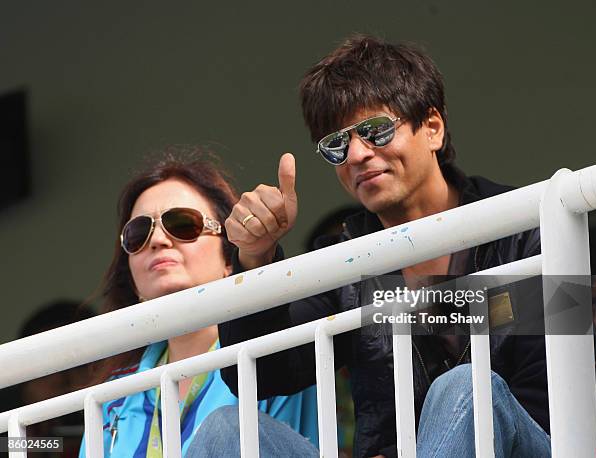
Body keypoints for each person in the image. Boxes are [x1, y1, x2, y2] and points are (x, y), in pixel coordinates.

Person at [192, 35, 555, 458]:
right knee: (227, 430)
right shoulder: (345, 256)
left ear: (432, 128)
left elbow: (553, 392)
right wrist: (256, 256)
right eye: (338, 145)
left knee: (466, 388)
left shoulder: (526, 226)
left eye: (376, 130)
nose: (358, 154)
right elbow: (258, 374)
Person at [78, 149, 318, 457]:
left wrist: (256, 257)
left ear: (230, 258)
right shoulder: (111, 400)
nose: (158, 241)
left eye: (182, 224)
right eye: (138, 233)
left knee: (227, 429)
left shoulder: (270, 355)